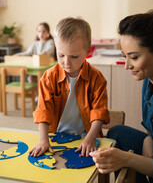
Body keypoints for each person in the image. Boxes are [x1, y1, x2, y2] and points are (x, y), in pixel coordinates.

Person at [90, 10, 153, 183]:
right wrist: (148, 139)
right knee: (117, 132)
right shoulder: (149, 81)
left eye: (134, 57)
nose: (127, 66)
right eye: (125, 56)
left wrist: (127, 159)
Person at [29, 17, 109, 158]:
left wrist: (89, 138)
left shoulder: (97, 78)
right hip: (56, 135)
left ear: (88, 51)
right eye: (61, 55)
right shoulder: (48, 78)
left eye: (74, 56)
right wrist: (43, 140)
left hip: (87, 136)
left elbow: (99, 112)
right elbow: (43, 110)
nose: (66, 62)